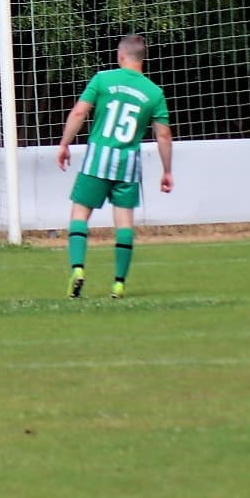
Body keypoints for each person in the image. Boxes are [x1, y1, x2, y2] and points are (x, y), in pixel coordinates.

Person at [54, 34, 174, 299]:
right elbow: (164, 135)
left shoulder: (103, 79)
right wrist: (167, 171)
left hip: (98, 160)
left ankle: (77, 269)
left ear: (121, 56)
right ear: (142, 59)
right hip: (128, 165)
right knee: (124, 223)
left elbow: (78, 112)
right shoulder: (154, 92)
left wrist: (64, 144)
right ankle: (118, 283)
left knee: (79, 215)